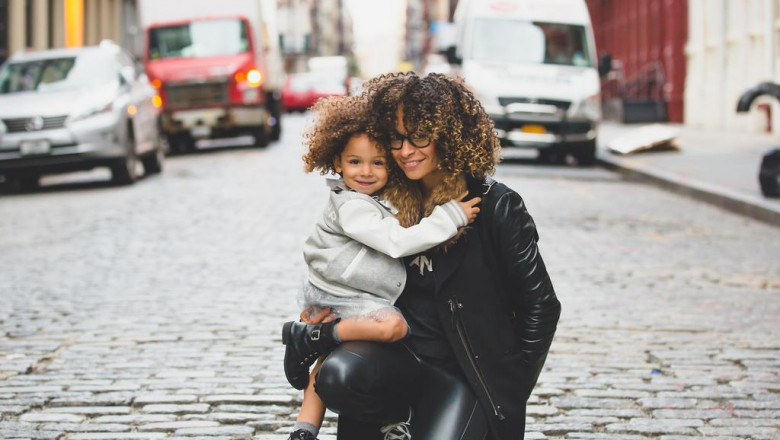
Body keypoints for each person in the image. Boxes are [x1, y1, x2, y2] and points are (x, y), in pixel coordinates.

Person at [312, 72, 562, 440]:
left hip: (466, 373)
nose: (406, 151)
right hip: (396, 361)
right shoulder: (381, 201)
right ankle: (394, 421)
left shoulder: (495, 205)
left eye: (420, 136)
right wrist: (320, 313)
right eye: (396, 138)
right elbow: (340, 267)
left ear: (448, 134)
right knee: (338, 376)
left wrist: (507, 387)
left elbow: (541, 306)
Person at [283, 94, 482, 440]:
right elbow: (396, 241)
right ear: (337, 163)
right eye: (355, 162)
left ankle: (305, 427)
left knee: (325, 360)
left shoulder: (374, 199)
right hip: (345, 293)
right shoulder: (352, 206)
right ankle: (314, 337)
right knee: (393, 328)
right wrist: (450, 216)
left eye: (377, 163)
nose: (366, 171)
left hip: (340, 291)